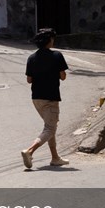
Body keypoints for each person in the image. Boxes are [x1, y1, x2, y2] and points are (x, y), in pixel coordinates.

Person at [21, 28, 69, 169]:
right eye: (52, 39)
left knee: (50, 127)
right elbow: (63, 76)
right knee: (50, 128)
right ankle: (29, 151)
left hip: (36, 98)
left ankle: (55, 158)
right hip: (51, 98)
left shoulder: (32, 58)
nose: (53, 41)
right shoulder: (57, 55)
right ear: (49, 41)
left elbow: (29, 80)